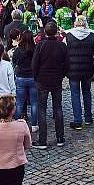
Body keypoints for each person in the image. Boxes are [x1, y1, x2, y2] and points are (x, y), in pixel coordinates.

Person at [31, 20, 68, 148]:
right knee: (57, 108)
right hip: (56, 79)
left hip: (43, 80)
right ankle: (60, 138)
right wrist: (62, 75)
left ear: (45, 32)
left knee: (42, 109)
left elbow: (34, 64)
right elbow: (66, 64)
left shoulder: (40, 45)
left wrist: (36, 77)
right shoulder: (61, 46)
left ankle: (43, 140)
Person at [65, 14, 94, 130]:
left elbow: (65, 51)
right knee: (87, 92)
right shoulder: (92, 35)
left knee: (75, 94)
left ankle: (77, 120)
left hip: (73, 69)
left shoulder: (68, 36)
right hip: (87, 68)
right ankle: (88, 117)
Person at [11, 30, 38, 131]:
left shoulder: (18, 50)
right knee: (34, 102)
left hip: (21, 77)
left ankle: (17, 122)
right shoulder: (35, 49)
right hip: (33, 78)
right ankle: (34, 124)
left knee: (19, 102)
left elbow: (14, 61)